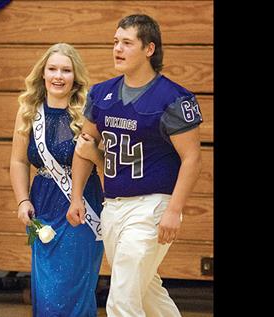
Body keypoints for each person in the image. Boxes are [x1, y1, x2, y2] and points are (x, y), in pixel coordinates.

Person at [67, 14, 203, 317]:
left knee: (122, 297)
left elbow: (192, 158)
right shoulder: (102, 94)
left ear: (149, 49)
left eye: (127, 43)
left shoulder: (173, 99)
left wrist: (173, 210)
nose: (117, 48)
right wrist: (77, 196)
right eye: (116, 42)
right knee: (147, 291)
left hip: (152, 207)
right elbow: (84, 146)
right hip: (113, 206)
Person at [9, 43, 104, 317]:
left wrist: (92, 153)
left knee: (73, 289)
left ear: (76, 77)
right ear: (43, 73)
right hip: (42, 205)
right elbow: (18, 160)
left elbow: (106, 161)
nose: (58, 76)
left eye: (66, 70)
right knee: (46, 290)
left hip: (81, 205)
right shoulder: (28, 110)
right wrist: (22, 200)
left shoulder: (88, 112)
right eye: (52, 69)